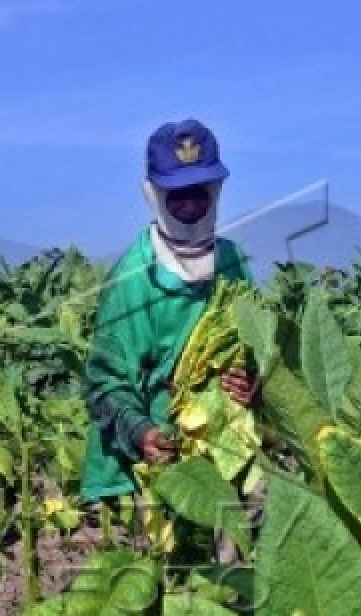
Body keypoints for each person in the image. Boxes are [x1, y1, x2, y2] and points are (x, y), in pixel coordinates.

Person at [79, 119, 260, 505]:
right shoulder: (133, 278)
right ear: (154, 196)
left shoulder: (232, 261)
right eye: (177, 195)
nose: (190, 206)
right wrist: (142, 432)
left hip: (227, 449)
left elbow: (256, 346)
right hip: (151, 463)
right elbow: (104, 383)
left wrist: (252, 381)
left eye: (200, 193)